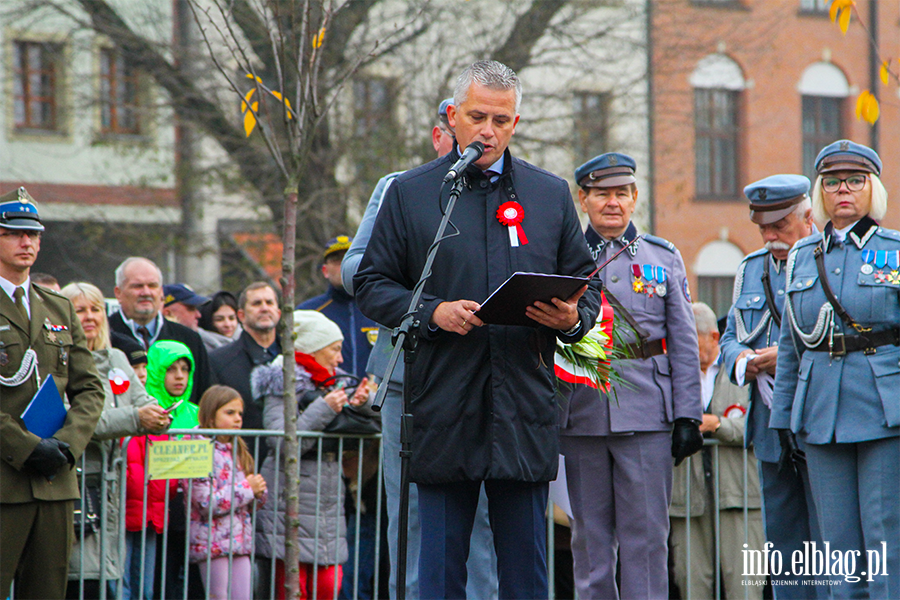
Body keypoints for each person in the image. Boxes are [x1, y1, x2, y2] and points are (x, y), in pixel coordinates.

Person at [354, 60, 603, 600]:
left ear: (516, 123)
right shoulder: (412, 193)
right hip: (444, 403)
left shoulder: (549, 193)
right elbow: (371, 282)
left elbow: (587, 286)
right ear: (452, 116)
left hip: (523, 406)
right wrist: (432, 311)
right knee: (438, 571)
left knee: (525, 574)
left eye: (502, 119)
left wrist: (572, 320)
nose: (488, 130)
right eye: (477, 116)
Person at [342, 96, 499, 600]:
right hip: (410, 376)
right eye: (466, 134)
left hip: (480, 371)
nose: (479, 145)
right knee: (409, 518)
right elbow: (356, 270)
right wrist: (425, 284)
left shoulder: (508, 191)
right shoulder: (401, 189)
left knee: (481, 520)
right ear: (441, 137)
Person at [559, 152, 703, 600]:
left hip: (647, 414)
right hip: (582, 411)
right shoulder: (563, 257)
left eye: (622, 193)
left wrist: (688, 416)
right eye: (602, 194)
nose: (613, 203)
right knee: (589, 541)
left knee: (645, 540)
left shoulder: (663, 257)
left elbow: (683, 341)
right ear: (583, 199)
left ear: (635, 197)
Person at [771, 140, 900, 598]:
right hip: (821, 409)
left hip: (885, 412)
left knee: (885, 541)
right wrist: (783, 416)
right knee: (836, 550)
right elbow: (791, 345)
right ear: (821, 192)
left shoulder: (895, 251)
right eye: (832, 182)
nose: (842, 189)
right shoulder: (805, 256)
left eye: (854, 180)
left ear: (872, 188)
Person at [719, 174, 825, 597]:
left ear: (806, 216)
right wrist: (743, 361)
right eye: (762, 227)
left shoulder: (826, 261)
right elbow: (730, 337)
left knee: (827, 541)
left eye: (779, 225)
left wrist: (788, 356)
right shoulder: (751, 269)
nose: (769, 236)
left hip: (818, 418)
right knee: (782, 544)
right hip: (769, 425)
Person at [0, 187, 105, 600]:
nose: (27, 243)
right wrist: (26, 447)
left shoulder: (58, 307)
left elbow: (90, 387)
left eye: (34, 234)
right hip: (5, 479)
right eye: (14, 233)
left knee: (47, 592)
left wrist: (65, 445)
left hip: (54, 481)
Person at [252, 310, 373, 600]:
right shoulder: (280, 382)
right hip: (287, 503)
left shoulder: (335, 382)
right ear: (312, 349)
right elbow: (283, 443)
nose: (340, 359)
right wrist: (325, 408)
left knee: (328, 586)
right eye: (334, 349)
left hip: (327, 503)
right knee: (293, 590)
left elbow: (370, 424)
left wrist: (360, 404)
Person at [59, 282, 168, 600]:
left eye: (95, 309)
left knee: (109, 581)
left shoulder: (118, 359)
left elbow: (143, 401)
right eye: (80, 310)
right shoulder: (55, 363)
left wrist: (161, 416)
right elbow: (75, 420)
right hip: (75, 486)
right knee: (80, 580)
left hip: (113, 492)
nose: (90, 316)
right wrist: (136, 419)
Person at [669, 302, 764, 600]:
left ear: (713, 336)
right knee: (691, 582)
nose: (685, 348)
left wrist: (717, 425)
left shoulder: (743, 370)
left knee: (745, 586)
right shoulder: (673, 372)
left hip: (739, 497)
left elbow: (758, 426)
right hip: (688, 499)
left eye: (693, 340)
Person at [185, 385, 267, 600]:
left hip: (240, 541)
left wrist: (258, 493)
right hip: (211, 542)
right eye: (229, 413)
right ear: (210, 417)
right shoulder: (196, 449)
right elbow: (206, 503)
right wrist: (248, 489)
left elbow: (248, 503)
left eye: (240, 413)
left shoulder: (238, 450)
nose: (238, 419)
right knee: (218, 597)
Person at [109, 257, 212, 404]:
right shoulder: (104, 337)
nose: (146, 292)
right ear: (118, 293)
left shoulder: (189, 339)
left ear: (161, 292)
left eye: (152, 286)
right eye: (137, 286)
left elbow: (204, 398)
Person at [298, 236, 376, 380]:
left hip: (374, 398)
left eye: (349, 259)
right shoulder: (308, 313)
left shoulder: (379, 308)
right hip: (325, 397)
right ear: (325, 270)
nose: (344, 265)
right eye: (336, 261)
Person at [210, 282, 282, 430]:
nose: (264, 308)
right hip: (239, 450)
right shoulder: (218, 361)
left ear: (278, 313)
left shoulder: (298, 358)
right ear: (241, 315)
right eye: (256, 303)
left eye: (269, 302)